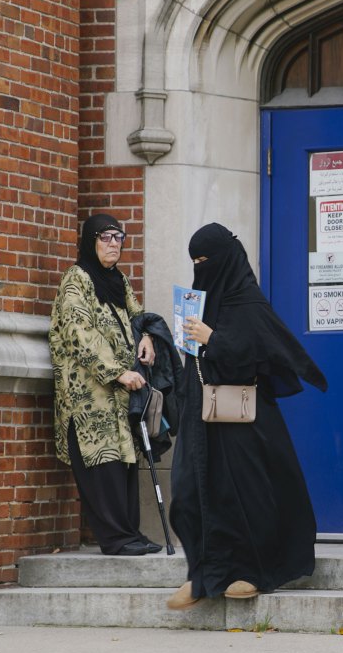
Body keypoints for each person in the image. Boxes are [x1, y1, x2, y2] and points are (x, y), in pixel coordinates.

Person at [167, 223, 327, 609]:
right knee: (191, 491)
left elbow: (263, 352)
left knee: (245, 494)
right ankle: (203, 574)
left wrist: (214, 339)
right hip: (202, 418)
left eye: (207, 260)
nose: (201, 267)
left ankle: (247, 573)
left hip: (242, 420)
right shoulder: (199, 302)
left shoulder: (248, 302)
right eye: (195, 262)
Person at [49, 214, 163, 556]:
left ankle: (129, 532)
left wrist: (147, 338)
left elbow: (137, 315)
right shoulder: (76, 280)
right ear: (90, 241)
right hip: (88, 396)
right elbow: (78, 332)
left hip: (118, 394)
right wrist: (116, 371)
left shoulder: (118, 280)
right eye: (106, 237)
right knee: (102, 464)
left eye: (119, 237)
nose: (114, 244)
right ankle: (114, 538)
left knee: (124, 462)